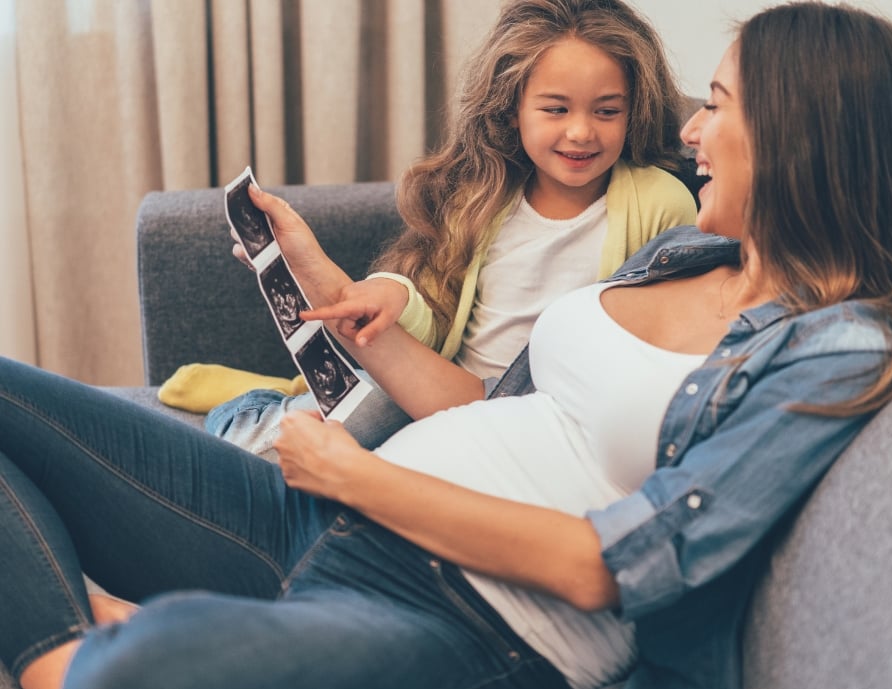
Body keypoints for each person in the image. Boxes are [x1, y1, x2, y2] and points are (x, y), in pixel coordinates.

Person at [1, 3, 892, 689]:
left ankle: (80, 657)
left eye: (718, 104)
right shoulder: (684, 253)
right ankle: (78, 654)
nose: (690, 131)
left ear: (800, 136)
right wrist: (338, 301)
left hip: (463, 615)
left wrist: (354, 475)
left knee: (146, 667)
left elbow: (610, 565)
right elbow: (493, 415)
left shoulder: (840, 348)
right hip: (320, 520)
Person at [198, 0, 697, 457]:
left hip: (534, 410)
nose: (582, 131)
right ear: (512, 108)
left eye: (607, 111)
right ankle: (247, 405)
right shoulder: (483, 196)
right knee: (279, 444)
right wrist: (392, 292)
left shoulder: (660, 204)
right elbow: (435, 310)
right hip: (442, 385)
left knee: (355, 444)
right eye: (556, 109)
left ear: (634, 112)